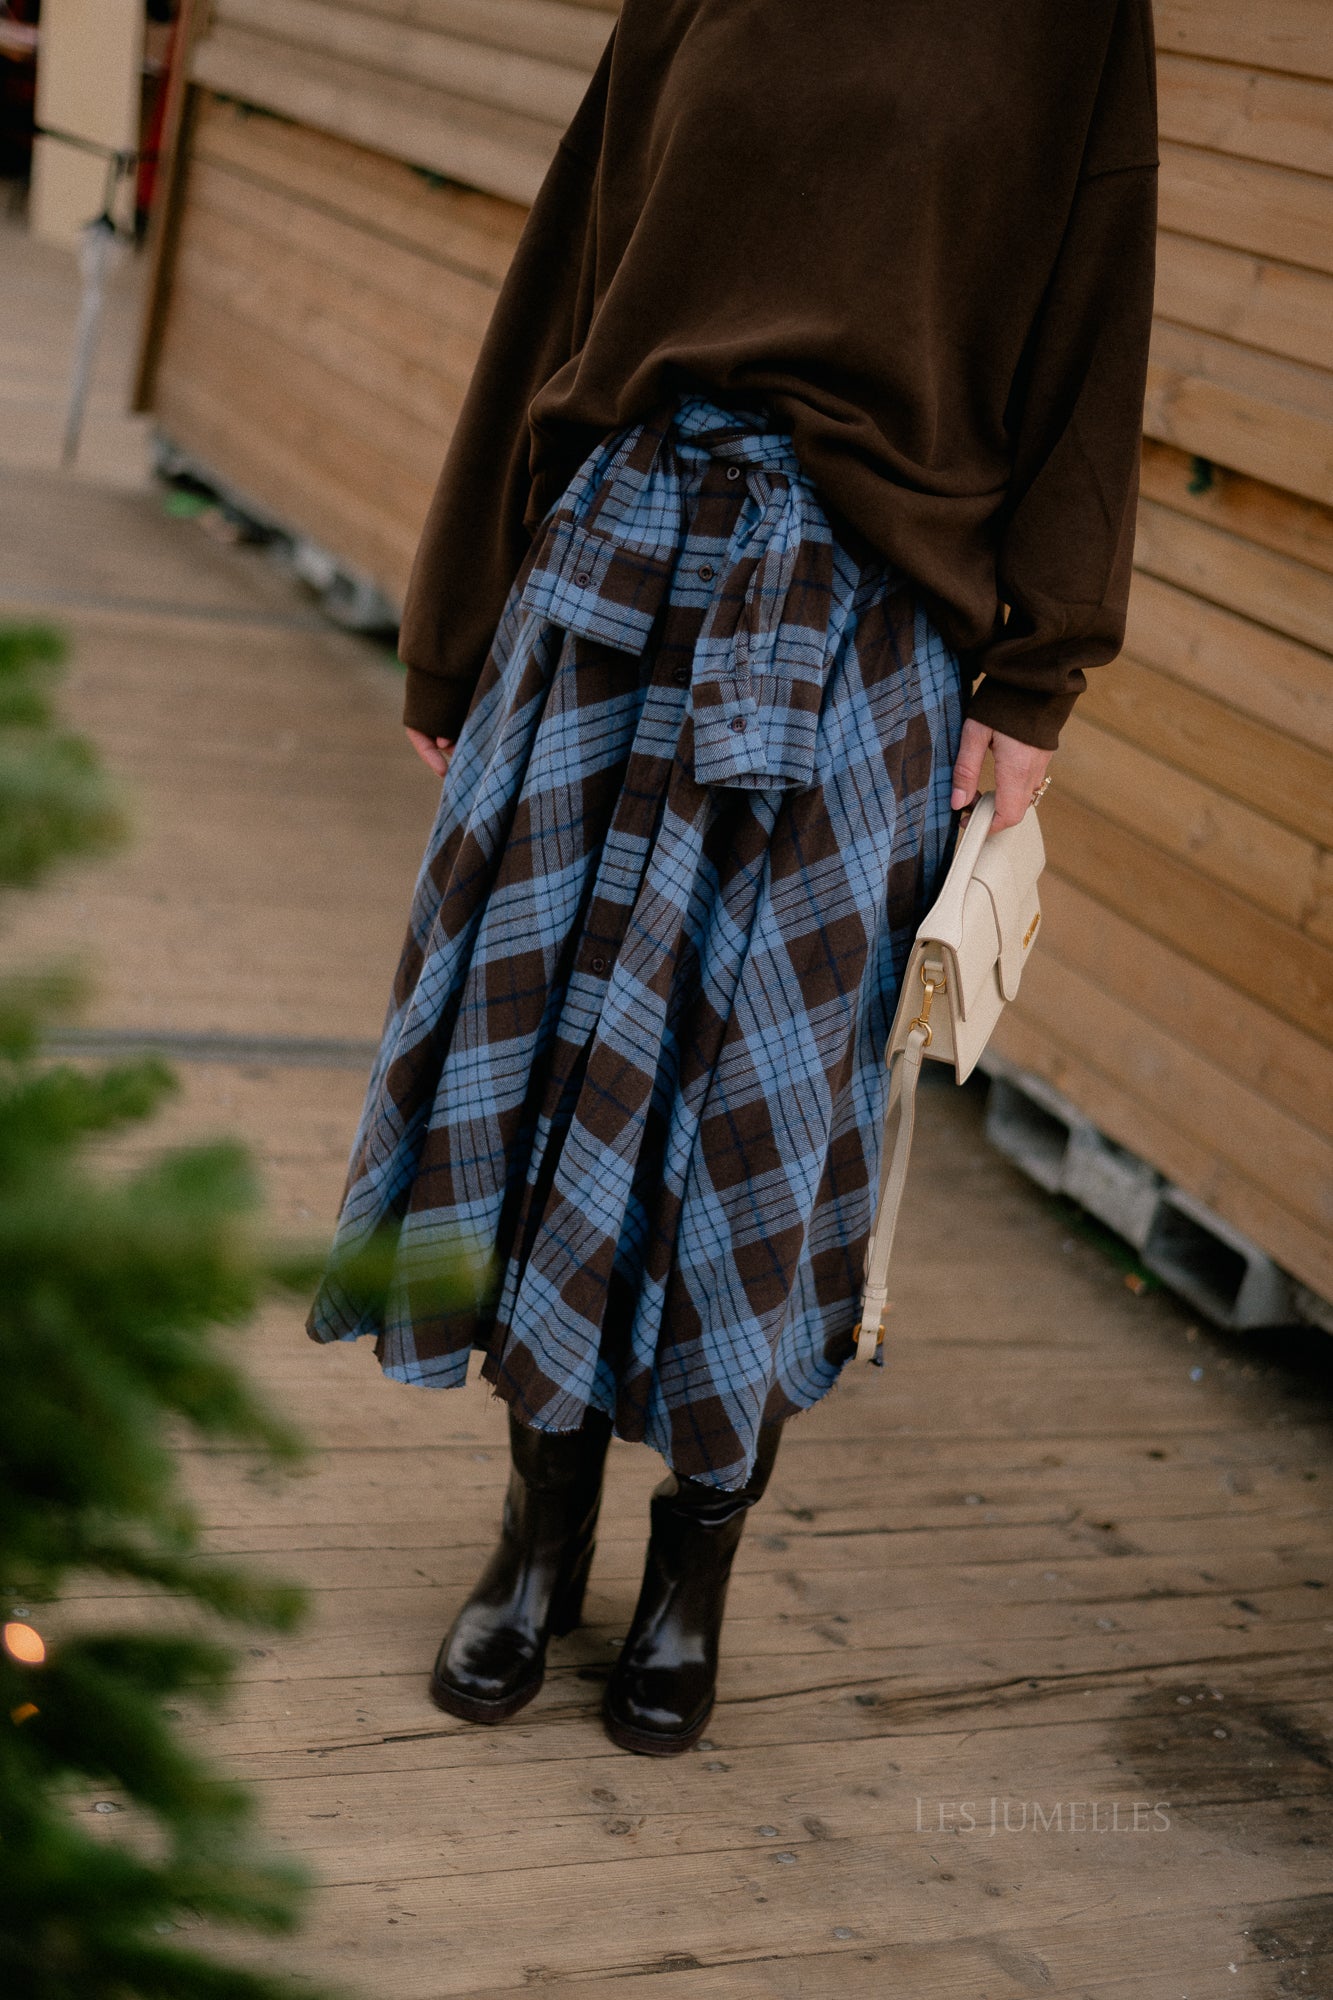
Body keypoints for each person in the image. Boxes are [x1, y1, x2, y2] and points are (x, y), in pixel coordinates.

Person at [308, 0, 1159, 1755]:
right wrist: (456, 624)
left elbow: (1095, 330)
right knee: (540, 1074)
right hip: (616, 574)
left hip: (861, 631)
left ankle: (694, 1568)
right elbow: (567, 261)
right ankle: (538, 1541)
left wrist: (1037, 672)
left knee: (762, 1116)